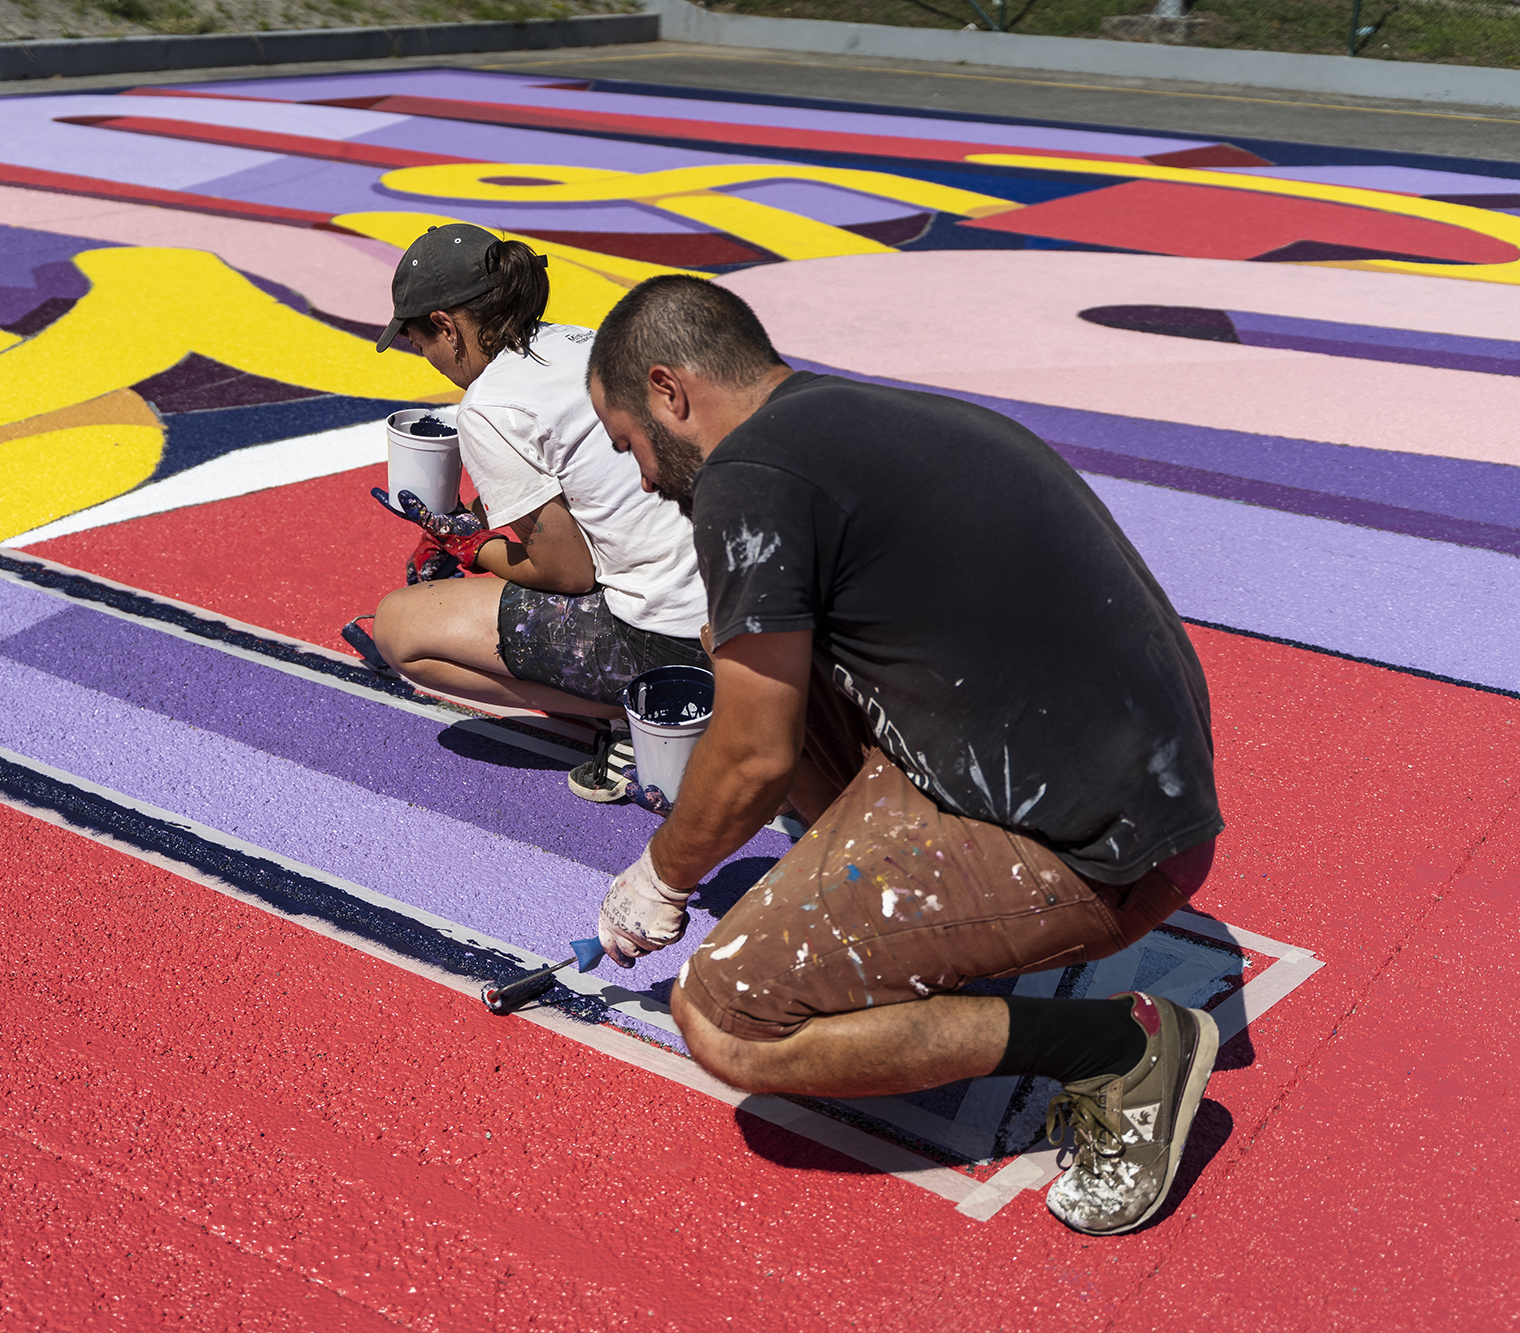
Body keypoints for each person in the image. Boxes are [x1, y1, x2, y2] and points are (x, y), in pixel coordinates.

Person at [582, 275, 1226, 1237]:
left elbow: (755, 755)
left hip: (1104, 846)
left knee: (725, 1014)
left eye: (629, 442)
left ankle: (1118, 1048)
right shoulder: (846, 418)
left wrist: (660, 875)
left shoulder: (745, 476)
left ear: (671, 392)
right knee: (751, 654)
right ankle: (923, 940)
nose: (641, 477)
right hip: (1128, 777)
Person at [364, 224, 709, 801]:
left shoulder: (491, 406)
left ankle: (639, 713)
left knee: (401, 627)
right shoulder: (581, 341)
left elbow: (566, 572)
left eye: (419, 340)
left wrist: (469, 547)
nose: (423, 356)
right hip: (744, 614)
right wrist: (475, 519)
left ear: (448, 326)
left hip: (672, 640)